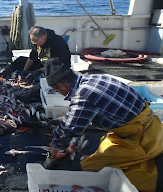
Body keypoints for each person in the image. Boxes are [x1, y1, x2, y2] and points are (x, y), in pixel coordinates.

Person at [43, 58, 163, 192]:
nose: (61, 94)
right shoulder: (92, 79)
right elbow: (85, 114)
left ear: (62, 85)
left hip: (142, 138)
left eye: (57, 91)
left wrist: (52, 155)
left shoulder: (83, 95)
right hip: (150, 126)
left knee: (92, 167)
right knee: (103, 146)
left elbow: (66, 131)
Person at [1, 26, 71, 102]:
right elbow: (32, 56)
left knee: (49, 80)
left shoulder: (57, 43)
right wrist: (24, 70)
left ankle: (28, 94)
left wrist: (38, 71)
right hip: (42, 64)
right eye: (32, 42)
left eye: (35, 41)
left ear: (42, 38)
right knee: (20, 60)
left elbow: (56, 65)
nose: (34, 43)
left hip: (58, 69)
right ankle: (1, 75)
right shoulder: (38, 42)